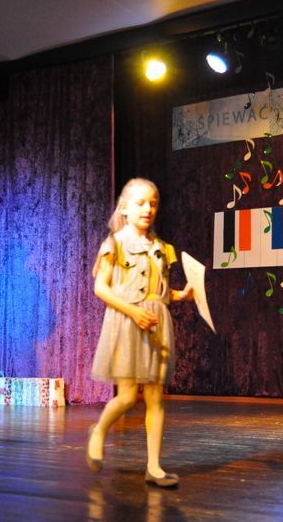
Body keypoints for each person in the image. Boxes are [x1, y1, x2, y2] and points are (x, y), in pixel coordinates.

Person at [86, 178, 193, 488]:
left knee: (156, 398)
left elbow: (160, 292)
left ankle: (154, 467)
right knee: (128, 396)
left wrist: (181, 295)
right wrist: (133, 312)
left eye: (153, 204)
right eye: (141, 203)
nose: (148, 209)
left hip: (155, 323)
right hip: (127, 322)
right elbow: (101, 288)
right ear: (124, 208)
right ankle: (99, 430)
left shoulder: (162, 248)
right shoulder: (115, 243)